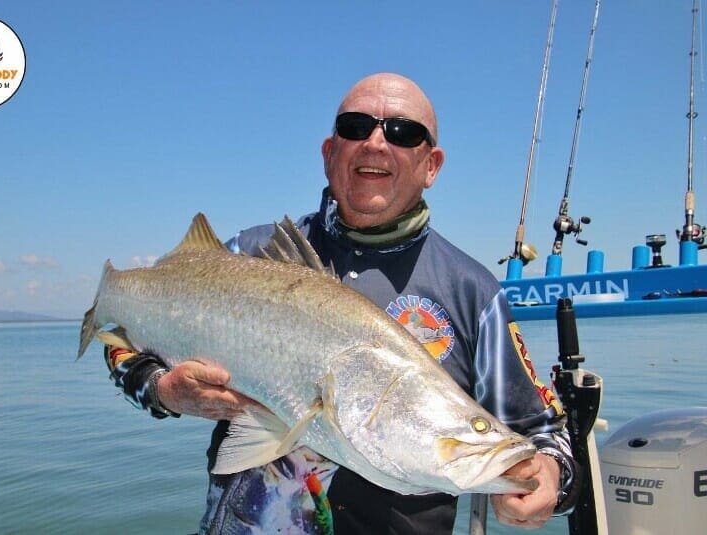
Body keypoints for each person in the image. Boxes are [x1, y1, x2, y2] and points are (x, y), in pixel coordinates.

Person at [105, 73, 576, 534]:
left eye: (403, 132)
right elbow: (120, 347)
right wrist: (163, 390)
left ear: (431, 165)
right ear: (329, 153)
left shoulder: (472, 292)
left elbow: (543, 434)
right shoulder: (246, 256)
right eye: (356, 127)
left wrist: (550, 476)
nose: (375, 143)